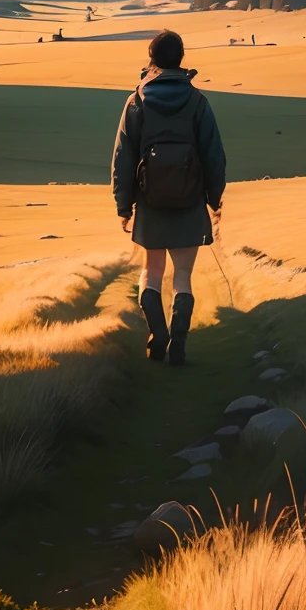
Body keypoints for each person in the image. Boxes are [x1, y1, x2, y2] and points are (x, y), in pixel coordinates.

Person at [111, 29, 226, 365]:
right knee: (183, 277)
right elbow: (214, 156)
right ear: (181, 58)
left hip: (150, 201)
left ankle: (158, 334)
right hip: (190, 201)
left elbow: (123, 158)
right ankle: (178, 343)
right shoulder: (198, 102)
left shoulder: (136, 101)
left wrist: (123, 205)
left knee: (151, 272)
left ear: (152, 58)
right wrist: (215, 199)